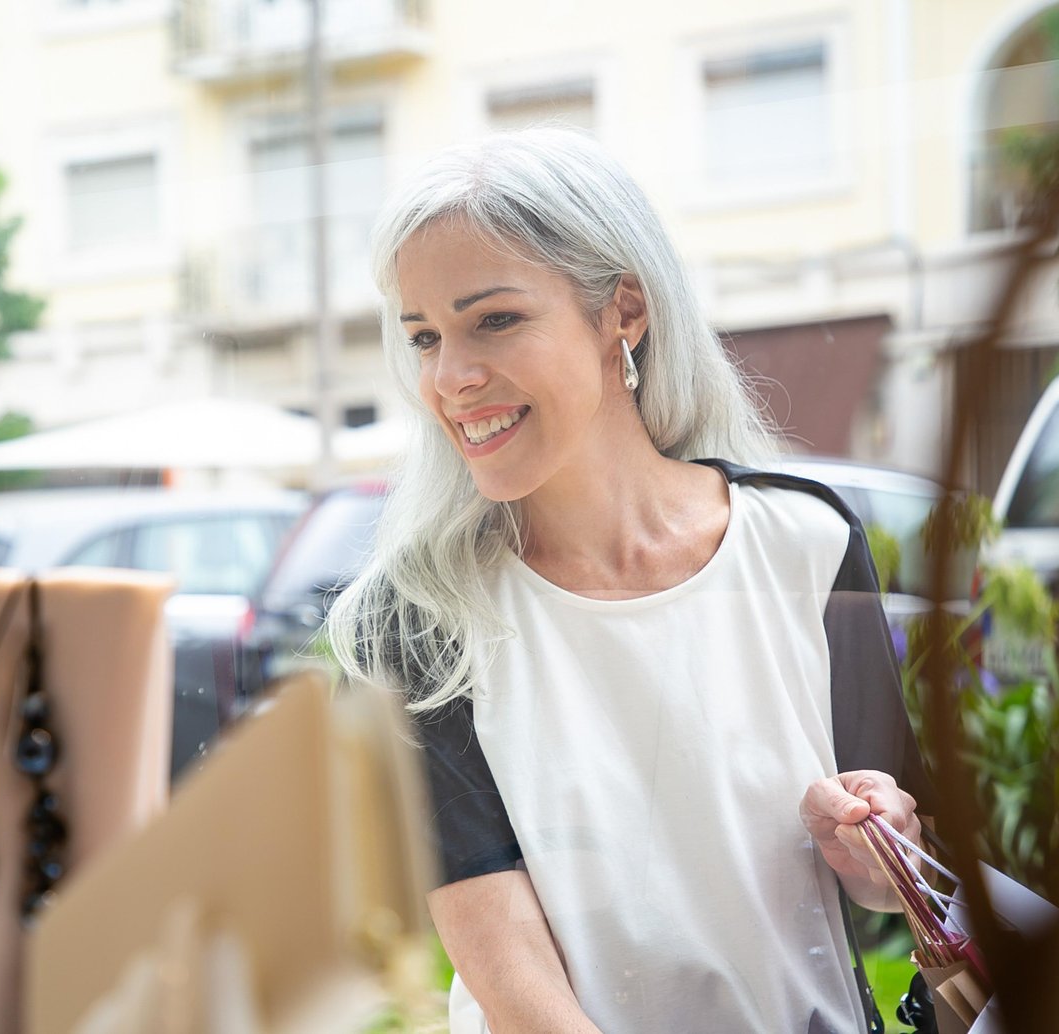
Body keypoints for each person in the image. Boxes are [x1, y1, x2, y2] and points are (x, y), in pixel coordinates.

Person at [324, 128, 935, 1033]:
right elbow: (512, 978)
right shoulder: (412, 621)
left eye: (493, 319)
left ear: (625, 312)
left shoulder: (806, 540)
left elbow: (897, 879)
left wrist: (878, 847)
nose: (450, 378)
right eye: (424, 337)